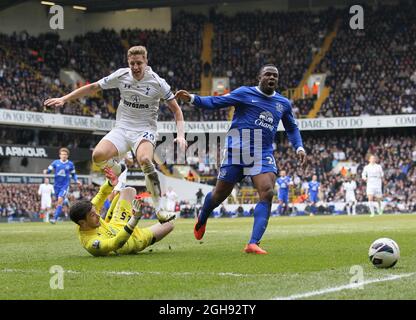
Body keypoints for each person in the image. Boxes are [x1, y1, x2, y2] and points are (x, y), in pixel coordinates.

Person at [44, 46, 187, 223]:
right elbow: (93, 87)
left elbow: (176, 110)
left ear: (146, 62)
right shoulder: (121, 75)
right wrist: (64, 99)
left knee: (145, 161)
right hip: (122, 128)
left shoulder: (158, 82)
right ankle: (118, 169)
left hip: (144, 130)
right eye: (132, 63)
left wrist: (180, 135)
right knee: (97, 156)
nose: (135, 67)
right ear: (128, 62)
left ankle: (160, 209)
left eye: (139, 63)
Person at [175, 64, 307, 254]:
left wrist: (299, 147)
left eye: (275, 76)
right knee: (219, 195)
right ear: (259, 77)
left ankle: (253, 243)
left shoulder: (283, 103)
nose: (271, 78)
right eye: (268, 74)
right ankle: (203, 216)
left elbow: (292, 128)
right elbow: (216, 102)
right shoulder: (244, 93)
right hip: (236, 151)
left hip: (262, 153)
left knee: (268, 192)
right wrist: (192, 99)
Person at [69, 167, 174, 257]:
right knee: (169, 224)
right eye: (93, 215)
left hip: (117, 223)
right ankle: (147, 238)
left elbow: (100, 195)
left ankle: (116, 195)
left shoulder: (87, 212)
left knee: (129, 190)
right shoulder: (91, 243)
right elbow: (116, 243)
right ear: (82, 223)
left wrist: (110, 183)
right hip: (136, 238)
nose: (97, 215)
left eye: (95, 211)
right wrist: (134, 218)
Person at [43, 148, 81, 224]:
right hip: (56, 186)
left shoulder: (70, 164)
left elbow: (73, 174)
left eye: (65, 154)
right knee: (58, 202)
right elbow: (49, 170)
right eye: (62, 154)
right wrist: (46, 171)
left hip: (65, 185)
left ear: (67, 156)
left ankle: (54, 218)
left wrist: (76, 180)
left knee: (60, 200)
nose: (64, 156)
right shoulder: (55, 162)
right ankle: (60, 210)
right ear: (60, 155)